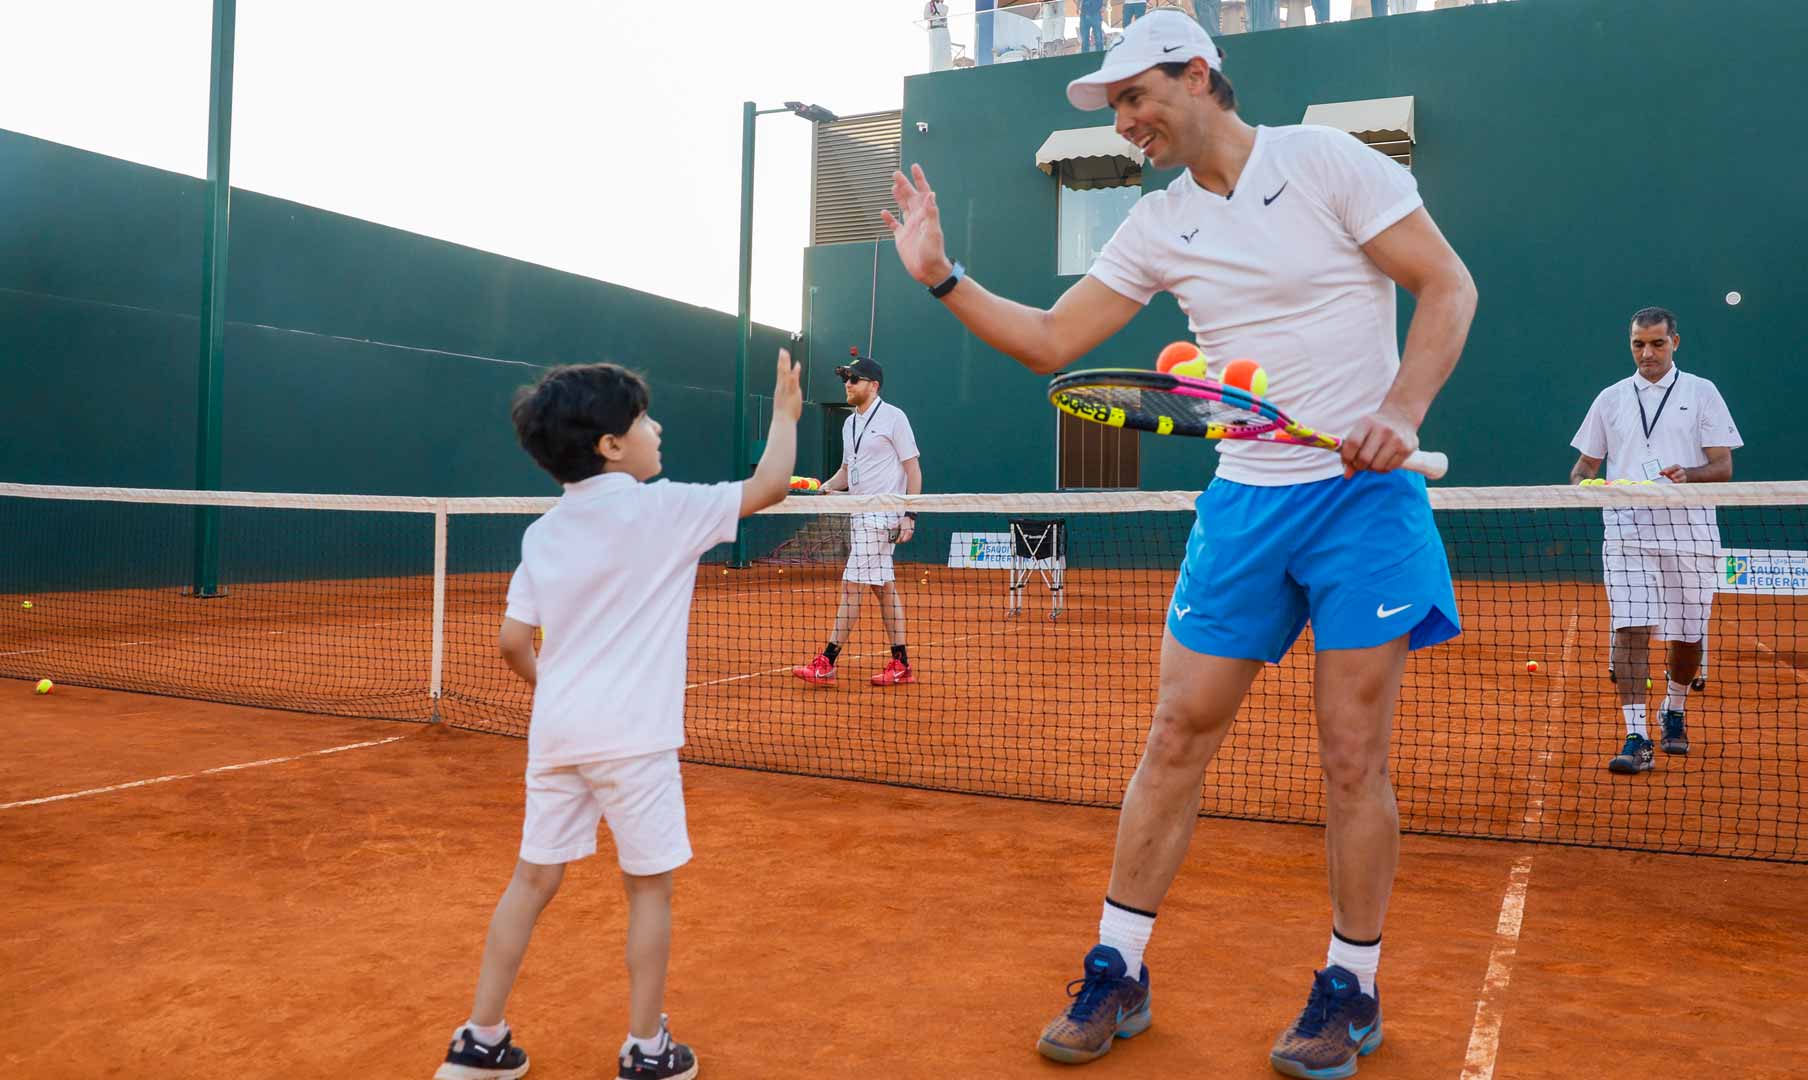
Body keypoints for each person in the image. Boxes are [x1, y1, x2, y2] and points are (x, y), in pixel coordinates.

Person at [880, 9, 1476, 1076]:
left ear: (1199, 76)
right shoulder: (1154, 225)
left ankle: (1351, 985)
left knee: (1352, 756)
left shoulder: (1325, 162)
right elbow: (1055, 340)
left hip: (1363, 501)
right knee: (1175, 735)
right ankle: (1120, 966)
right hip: (1246, 502)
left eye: (1137, 98)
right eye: (1116, 108)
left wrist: (1403, 408)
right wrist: (939, 274)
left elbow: (1448, 284)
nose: (1128, 123)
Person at [433, 352, 803, 1080]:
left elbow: (512, 643)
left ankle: (479, 1039)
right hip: (636, 742)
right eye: (643, 421)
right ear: (610, 446)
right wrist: (786, 416)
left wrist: (558, 689)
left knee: (531, 881)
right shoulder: (663, 508)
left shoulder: (542, 534)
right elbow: (768, 487)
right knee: (649, 890)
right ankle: (646, 1049)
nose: (657, 428)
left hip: (558, 737)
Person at [1570, 307, 1741, 775]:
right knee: (1630, 628)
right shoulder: (1609, 399)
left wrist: (1690, 475)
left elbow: (1723, 467)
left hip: (1690, 533)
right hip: (1626, 532)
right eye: (1638, 344)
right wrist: (1587, 485)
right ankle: (1636, 735)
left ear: (1675, 343)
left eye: (1657, 344)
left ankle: (1675, 707)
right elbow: (1584, 467)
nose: (1647, 353)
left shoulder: (1702, 393)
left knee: (1687, 640)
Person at [793, 352, 925, 687]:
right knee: (884, 590)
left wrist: (909, 515)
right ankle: (901, 663)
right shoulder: (849, 423)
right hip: (859, 516)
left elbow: (913, 469)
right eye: (845, 379)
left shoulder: (895, 418)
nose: (847, 384)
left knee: (852, 586)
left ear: (873, 385)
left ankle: (827, 660)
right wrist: (827, 487)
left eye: (854, 379)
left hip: (884, 518)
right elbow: (847, 471)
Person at [926, 0, 952, 71]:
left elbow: (942, 16)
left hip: (943, 29)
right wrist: (935, 17)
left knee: (945, 50)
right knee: (935, 51)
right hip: (934, 30)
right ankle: (934, 70)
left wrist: (935, 17)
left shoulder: (945, 7)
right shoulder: (929, 5)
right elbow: (926, 16)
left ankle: (946, 69)